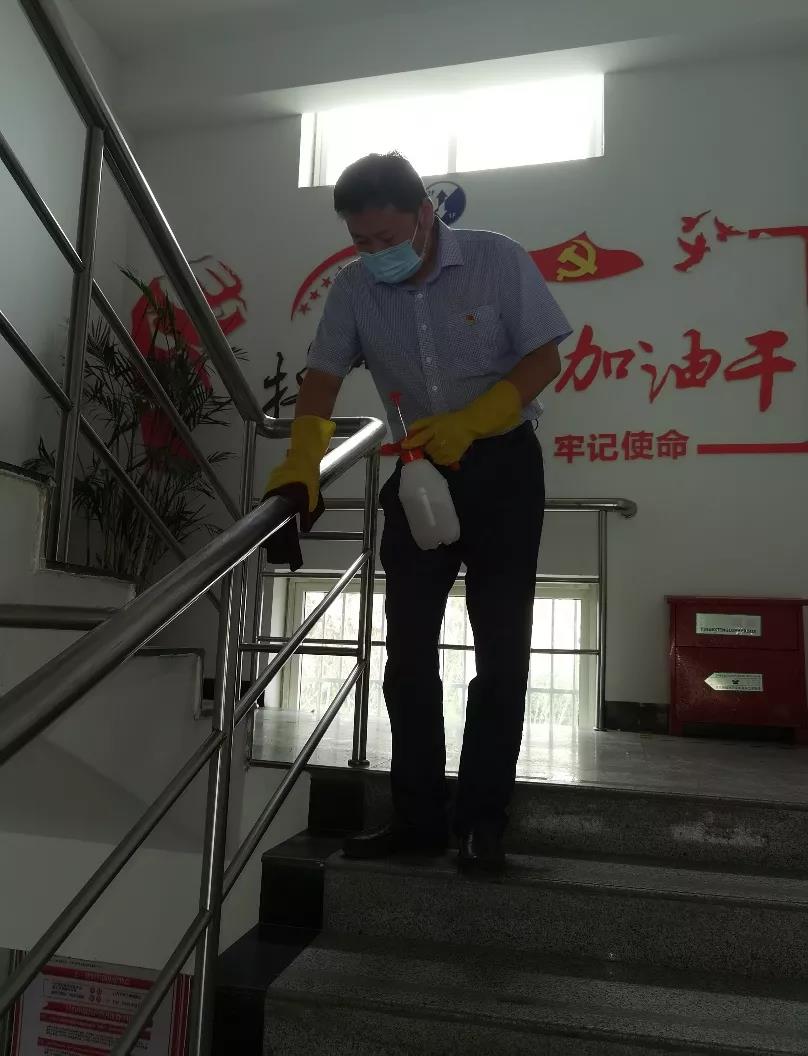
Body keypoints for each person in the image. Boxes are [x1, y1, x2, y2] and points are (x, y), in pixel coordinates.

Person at [265, 152, 571, 872]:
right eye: (360, 241)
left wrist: (476, 420)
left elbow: (543, 359)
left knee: (502, 653)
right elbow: (322, 378)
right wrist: (302, 463)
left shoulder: (498, 260)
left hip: (502, 469)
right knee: (406, 655)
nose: (375, 253)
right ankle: (418, 818)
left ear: (425, 216)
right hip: (419, 473)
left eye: (387, 238)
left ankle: (483, 821)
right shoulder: (354, 289)